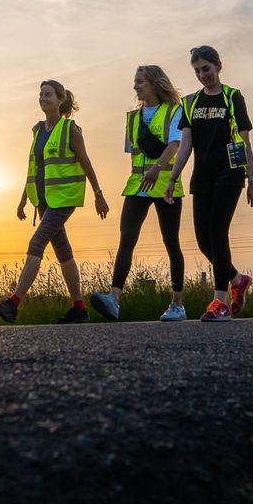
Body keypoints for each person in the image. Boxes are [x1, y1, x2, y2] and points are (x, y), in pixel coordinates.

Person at [0, 80, 110, 324]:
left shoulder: (70, 129)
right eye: (41, 94)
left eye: (48, 95)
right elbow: (35, 167)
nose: (43, 98)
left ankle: (13, 303)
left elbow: (85, 161)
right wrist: (23, 199)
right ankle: (79, 308)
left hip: (63, 200)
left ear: (60, 100)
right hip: (43, 200)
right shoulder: (38, 130)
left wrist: (98, 194)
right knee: (63, 252)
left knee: (36, 243)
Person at [164, 45, 253, 322]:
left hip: (229, 174)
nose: (202, 75)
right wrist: (172, 178)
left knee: (218, 233)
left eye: (206, 68)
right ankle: (237, 279)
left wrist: (252, 179)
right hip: (202, 176)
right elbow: (185, 145)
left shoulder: (232, 97)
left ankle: (219, 301)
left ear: (218, 66)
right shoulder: (191, 102)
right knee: (204, 240)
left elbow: (244, 141)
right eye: (197, 71)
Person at [90, 65, 187, 323]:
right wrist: (146, 172)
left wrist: (156, 170)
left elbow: (176, 145)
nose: (135, 86)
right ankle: (114, 299)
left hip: (165, 183)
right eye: (135, 82)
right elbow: (134, 153)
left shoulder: (175, 112)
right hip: (137, 185)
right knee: (127, 239)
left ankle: (177, 303)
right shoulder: (132, 118)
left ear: (155, 84)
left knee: (171, 242)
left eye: (140, 82)